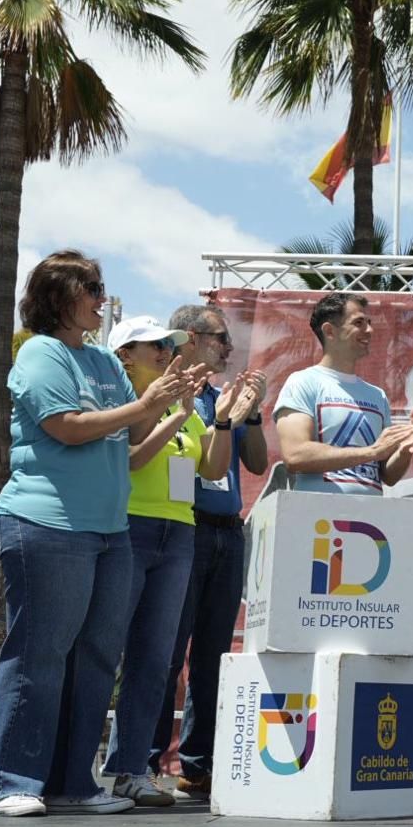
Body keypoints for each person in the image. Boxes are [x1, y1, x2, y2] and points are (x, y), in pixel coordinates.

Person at [0, 251, 200, 817]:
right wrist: (145, 403)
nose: (102, 298)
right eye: (93, 288)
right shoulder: (40, 352)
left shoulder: (104, 362)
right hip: (46, 524)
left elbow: (129, 438)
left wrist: (168, 401)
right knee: (38, 654)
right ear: (59, 297)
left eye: (103, 287)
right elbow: (67, 429)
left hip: (109, 531)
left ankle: (77, 783)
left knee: (99, 657)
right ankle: (13, 781)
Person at [101, 315, 226, 805]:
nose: (163, 350)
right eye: (151, 344)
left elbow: (213, 469)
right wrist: (171, 408)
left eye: (167, 343)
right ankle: (78, 773)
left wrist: (226, 417)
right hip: (128, 526)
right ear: (124, 354)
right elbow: (133, 454)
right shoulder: (121, 399)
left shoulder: (185, 403)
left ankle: (133, 771)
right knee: (105, 653)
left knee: (156, 660)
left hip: (180, 533)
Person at [149, 305, 268, 801]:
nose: (228, 348)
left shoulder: (224, 399)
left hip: (227, 532)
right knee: (164, 651)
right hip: (184, 528)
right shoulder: (167, 391)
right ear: (192, 338)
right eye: (221, 338)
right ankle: (144, 762)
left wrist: (253, 413)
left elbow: (257, 462)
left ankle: (197, 767)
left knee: (214, 657)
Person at [273, 293, 413, 494]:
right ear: (330, 331)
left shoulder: (377, 395)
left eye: (368, 322)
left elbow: (387, 476)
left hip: (369, 521)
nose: (369, 330)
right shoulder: (303, 382)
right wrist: (371, 451)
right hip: (316, 519)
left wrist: (403, 452)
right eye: (359, 323)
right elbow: (295, 455)